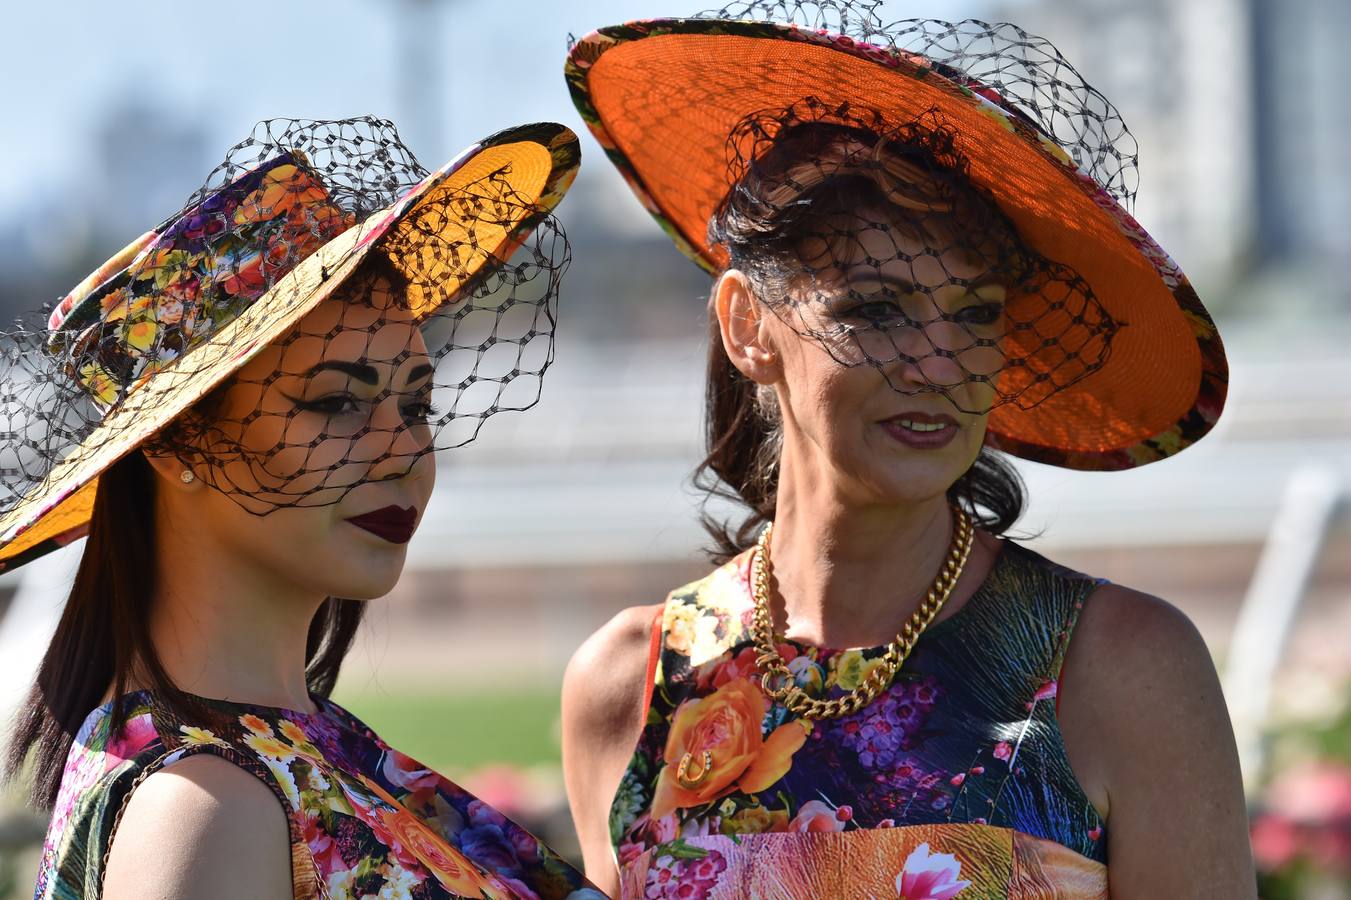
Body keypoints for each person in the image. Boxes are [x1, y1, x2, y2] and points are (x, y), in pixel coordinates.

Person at [560, 3, 1255, 897]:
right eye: (875, 310)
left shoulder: (1120, 668)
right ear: (748, 326)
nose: (937, 366)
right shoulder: (631, 683)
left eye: (973, 315)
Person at [2, 116, 602, 899]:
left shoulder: (275, 756)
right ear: (176, 445)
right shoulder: (206, 812)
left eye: (415, 404)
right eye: (336, 403)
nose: (402, 452)